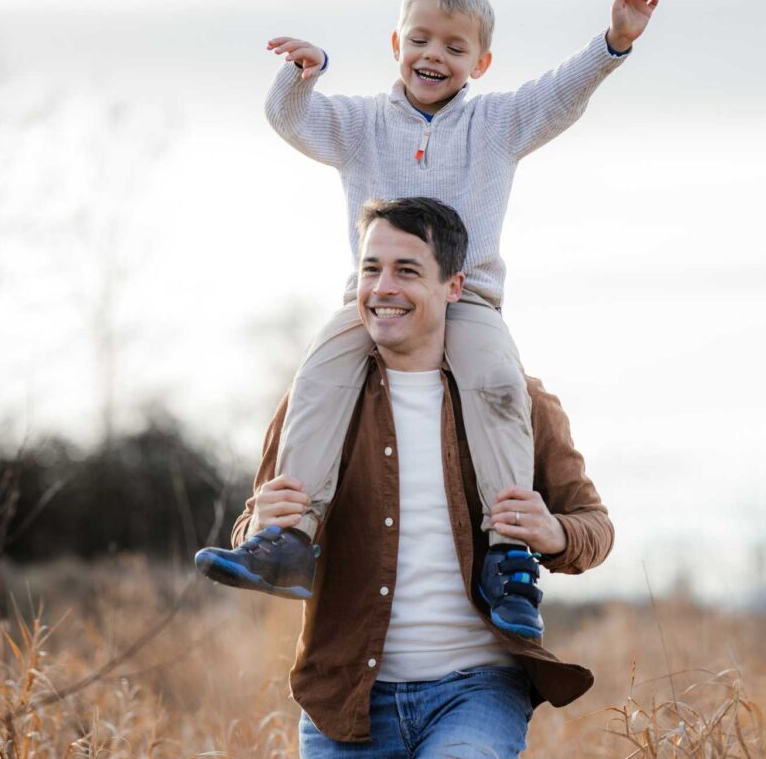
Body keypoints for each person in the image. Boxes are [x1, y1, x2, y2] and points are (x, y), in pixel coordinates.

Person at [196, 0, 655, 638]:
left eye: (454, 46)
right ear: (396, 44)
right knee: (319, 373)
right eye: (419, 40)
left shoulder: (496, 125)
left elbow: (558, 95)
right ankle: (290, 538)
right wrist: (304, 74)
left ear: (480, 63)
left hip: (470, 305)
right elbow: (290, 120)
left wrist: (613, 43)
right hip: (371, 303)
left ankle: (506, 554)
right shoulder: (359, 126)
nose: (432, 54)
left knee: (498, 384)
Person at [199, 198, 613, 756]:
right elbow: (252, 526)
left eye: (407, 271)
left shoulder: (516, 398)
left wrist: (555, 534)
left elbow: (595, 526)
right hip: (347, 697)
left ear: (454, 286)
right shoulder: (316, 404)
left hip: (478, 690)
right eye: (371, 269)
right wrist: (257, 526)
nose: (383, 288)